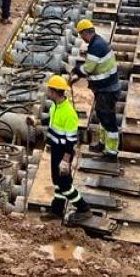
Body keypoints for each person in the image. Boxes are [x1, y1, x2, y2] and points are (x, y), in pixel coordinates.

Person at [42, 74, 91, 220]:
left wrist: (66, 160)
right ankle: (57, 210)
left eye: (49, 90)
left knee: (64, 185)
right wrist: (37, 121)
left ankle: (83, 208)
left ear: (55, 91)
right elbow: (51, 122)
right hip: (56, 149)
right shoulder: (55, 106)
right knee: (57, 181)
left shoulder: (69, 113)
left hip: (64, 152)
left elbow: (71, 141)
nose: (47, 92)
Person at [70, 18, 121, 157]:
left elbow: (89, 68)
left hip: (107, 90)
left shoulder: (96, 46)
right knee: (102, 115)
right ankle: (103, 144)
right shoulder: (98, 42)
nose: (82, 38)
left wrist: (76, 70)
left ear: (86, 32)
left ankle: (111, 151)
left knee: (108, 119)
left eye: (81, 35)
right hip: (106, 89)